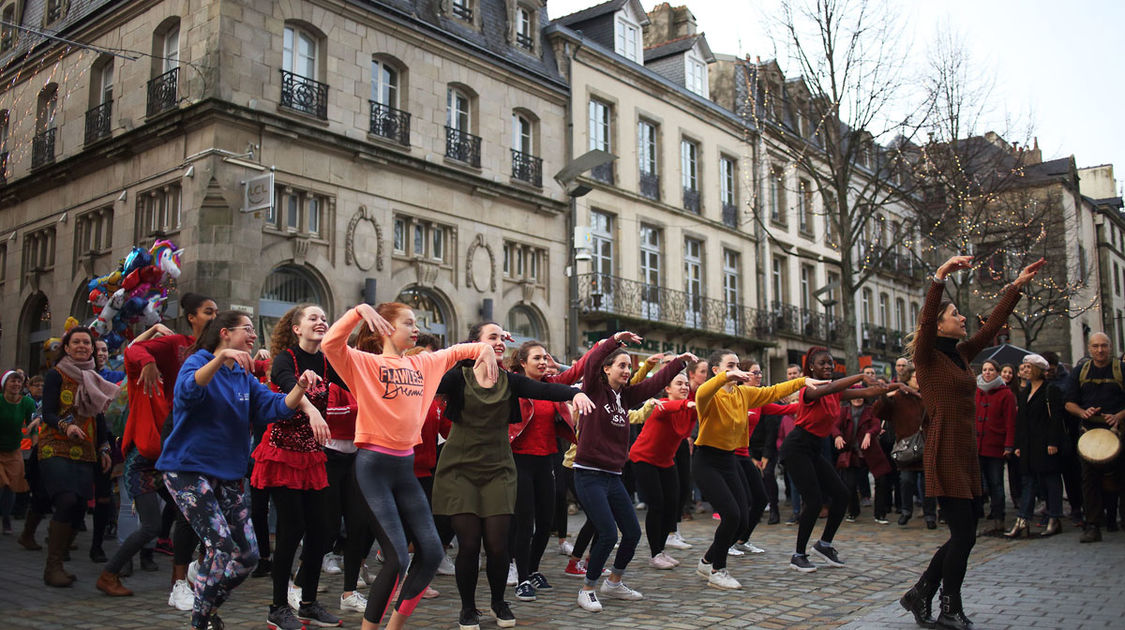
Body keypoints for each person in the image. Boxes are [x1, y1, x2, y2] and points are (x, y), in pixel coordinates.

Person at [322, 302, 497, 630]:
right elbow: (330, 344)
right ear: (385, 327)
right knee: (398, 558)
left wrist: (485, 349)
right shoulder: (365, 364)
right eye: (407, 323)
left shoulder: (424, 363)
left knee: (430, 554)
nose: (415, 328)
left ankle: (394, 627)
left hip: (405, 468)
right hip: (373, 467)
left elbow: (459, 350)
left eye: (417, 322)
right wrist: (358, 312)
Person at [899, 254, 1042, 630]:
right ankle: (948, 606)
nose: (963, 318)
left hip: (965, 449)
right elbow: (927, 319)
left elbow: (992, 326)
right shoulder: (926, 356)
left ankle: (921, 593)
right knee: (963, 534)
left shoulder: (961, 355)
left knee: (967, 531)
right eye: (956, 314)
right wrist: (940, 275)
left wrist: (1015, 287)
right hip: (943, 447)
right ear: (941, 325)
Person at [158, 311, 326, 630]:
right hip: (189, 471)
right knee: (221, 546)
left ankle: (207, 606)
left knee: (247, 556)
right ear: (225, 333)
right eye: (247, 329)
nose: (253, 335)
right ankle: (200, 622)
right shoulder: (199, 363)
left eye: (253, 330)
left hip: (229, 476)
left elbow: (276, 407)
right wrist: (219, 359)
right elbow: (189, 392)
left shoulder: (244, 377)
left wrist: (301, 388)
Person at [434, 323, 591, 630]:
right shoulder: (457, 377)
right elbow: (429, 373)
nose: (501, 342)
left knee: (496, 543)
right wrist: (470, 352)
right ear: (473, 345)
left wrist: (576, 393)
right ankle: (468, 608)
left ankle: (498, 602)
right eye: (492, 337)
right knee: (468, 544)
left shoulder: (509, 380)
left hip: (498, 468)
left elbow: (545, 389)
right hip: (460, 468)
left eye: (502, 338)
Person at [573, 332, 692, 612]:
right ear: (607, 368)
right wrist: (613, 341)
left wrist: (678, 364)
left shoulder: (625, 396)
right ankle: (587, 588)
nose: (627, 371)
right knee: (607, 534)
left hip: (612, 476)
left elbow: (654, 384)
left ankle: (613, 582)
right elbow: (591, 363)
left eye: (629, 367)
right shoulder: (593, 387)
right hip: (588, 474)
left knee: (632, 533)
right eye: (621, 366)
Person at [112, 292, 217, 610]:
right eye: (208, 311)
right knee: (152, 525)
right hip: (148, 454)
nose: (214, 317)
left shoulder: (215, 353)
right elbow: (133, 351)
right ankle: (111, 572)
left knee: (195, 516)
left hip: (182, 451)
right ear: (191, 317)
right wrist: (146, 361)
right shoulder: (179, 345)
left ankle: (184, 581)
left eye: (217, 312)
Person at [253, 304, 340, 629]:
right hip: (282, 455)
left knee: (322, 530)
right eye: (313, 318)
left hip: (312, 457)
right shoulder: (285, 358)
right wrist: (311, 409)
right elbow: (287, 382)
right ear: (297, 328)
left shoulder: (328, 361)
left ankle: (308, 602)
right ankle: (277, 607)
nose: (321, 322)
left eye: (323, 318)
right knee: (291, 530)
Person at [693, 350, 807, 588]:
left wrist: (804, 381)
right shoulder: (709, 395)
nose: (737, 369)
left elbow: (772, 392)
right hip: (706, 461)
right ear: (716, 370)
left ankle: (707, 560)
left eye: (737, 365)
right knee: (731, 514)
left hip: (728, 460)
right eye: (730, 365)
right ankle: (718, 570)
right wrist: (727, 376)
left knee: (744, 518)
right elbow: (702, 390)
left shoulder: (742, 393)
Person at [783, 347, 886, 574]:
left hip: (813, 448)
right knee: (814, 500)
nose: (828, 367)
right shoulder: (808, 389)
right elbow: (832, 388)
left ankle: (824, 545)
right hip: (797, 447)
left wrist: (892, 387)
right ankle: (798, 555)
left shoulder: (833, 392)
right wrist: (860, 376)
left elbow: (864, 394)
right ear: (811, 367)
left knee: (841, 494)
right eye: (822, 363)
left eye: (830, 363)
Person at [508, 340, 592, 603]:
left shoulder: (551, 386)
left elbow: (579, 371)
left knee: (546, 522)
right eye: (537, 358)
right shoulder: (513, 385)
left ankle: (533, 570)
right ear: (523, 363)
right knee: (525, 523)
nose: (543, 362)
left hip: (548, 460)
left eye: (545, 358)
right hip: (519, 461)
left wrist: (607, 344)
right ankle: (521, 578)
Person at [37, 327, 119, 587]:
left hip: (85, 449)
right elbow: (48, 412)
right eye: (77, 342)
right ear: (67, 347)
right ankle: (53, 567)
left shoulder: (93, 376)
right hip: (56, 445)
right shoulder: (56, 374)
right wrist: (66, 426)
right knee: (66, 499)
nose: (82, 346)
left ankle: (59, 557)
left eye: (87, 342)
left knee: (80, 505)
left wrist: (104, 447)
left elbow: (99, 415)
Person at [628, 372, 697, 570]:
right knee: (657, 504)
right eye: (679, 384)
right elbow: (668, 407)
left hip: (666, 461)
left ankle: (661, 549)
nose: (684, 387)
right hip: (644, 458)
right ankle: (654, 554)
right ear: (668, 389)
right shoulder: (660, 405)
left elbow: (707, 410)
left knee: (673, 504)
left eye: (686, 384)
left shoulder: (687, 408)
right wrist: (688, 404)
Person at [1063, 331, 1125, 543]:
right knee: (1089, 482)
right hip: (1089, 435)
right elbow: (1069, 402)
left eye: (1104, 346)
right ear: (1089, 349)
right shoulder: (1081, 371)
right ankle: (1093, 525)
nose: (1100, 350)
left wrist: (1118, 416)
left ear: (1110, 347)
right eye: (1096, 346)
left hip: (1118, 432)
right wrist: (1083, 412)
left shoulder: (1121, 369)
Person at [733, 361, 798, 550]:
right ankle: (727, 543)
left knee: (761, 499)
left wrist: (807, 401)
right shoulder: (733, 396)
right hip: (728, 455)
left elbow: (784, 409)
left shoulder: (760, 400)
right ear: (743, 375)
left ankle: (742, 540)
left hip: (743, 454)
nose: (759, 376)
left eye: (760, 372)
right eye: (755, 372)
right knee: (741, 502)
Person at [1007, 354, 1067, 538]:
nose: (1024, 370)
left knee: (1051, 480)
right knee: (1029, 482)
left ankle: (1054, 518)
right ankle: (1023, 519)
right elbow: (1021, 421)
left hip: (1045, 443)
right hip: (1028, 445)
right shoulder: (1025, 392)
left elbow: (1056, 419)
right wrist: (1018, 444)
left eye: (1028, 367)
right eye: (1023, 366)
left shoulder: (1050, 390)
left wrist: (1053, 442)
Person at [874, 368, 935, 529]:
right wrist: (886, 397)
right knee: (906, 480)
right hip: (906, 446)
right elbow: (879, 411)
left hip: (926, 444)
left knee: (927, 483)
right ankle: (906, 511)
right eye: (914, 377)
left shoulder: (929, 395)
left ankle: (930, 514)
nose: (917, 380)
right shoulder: (899, 396)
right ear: (907, 379)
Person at [833, 388, 890, 523]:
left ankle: (880, 514)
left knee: (881, 481)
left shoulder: (870, 410)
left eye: (860, 396)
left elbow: (876, 426)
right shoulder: (844, 411)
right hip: (852, 453)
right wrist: (837, 436)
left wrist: (869, 434)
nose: (857, 399)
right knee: (850, 484)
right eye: (855, 396)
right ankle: (853, 511)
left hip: (871, 452)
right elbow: (834, 426)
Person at [974, 359, 1016, 535]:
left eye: (991, 370)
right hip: (976, 446)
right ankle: (975, 518)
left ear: (997, 372)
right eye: (985, 369)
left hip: (995, 445)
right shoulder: (976, 391)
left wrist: (1009, 444)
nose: (987, 372)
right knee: (976, 485)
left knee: (996, 483)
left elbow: (1010, 422)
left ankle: (999, 517)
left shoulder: (1005, 394)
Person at [0, 371, 36, 535]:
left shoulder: (27, 403)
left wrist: (35, 446)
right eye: (12, 381)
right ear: (4, 385)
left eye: (18, 382)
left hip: (14, 450)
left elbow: (33, 425)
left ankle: (6, 518)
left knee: (11, 486)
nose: (15, 385)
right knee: (2, 483)